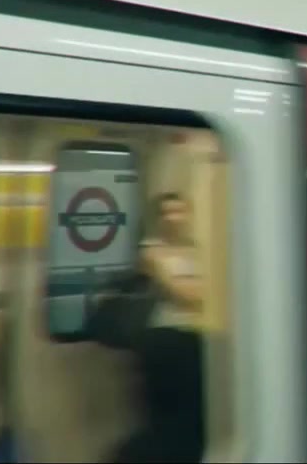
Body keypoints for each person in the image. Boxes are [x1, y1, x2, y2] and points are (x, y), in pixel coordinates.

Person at [111, 192, 206, 463]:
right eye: (167, 212)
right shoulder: (152, 252)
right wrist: (195, 288)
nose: (173, 218)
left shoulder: (197, 250)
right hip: (164, 338)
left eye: (179, 211)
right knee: (164, 417)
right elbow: (185, 293)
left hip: (195, 336)